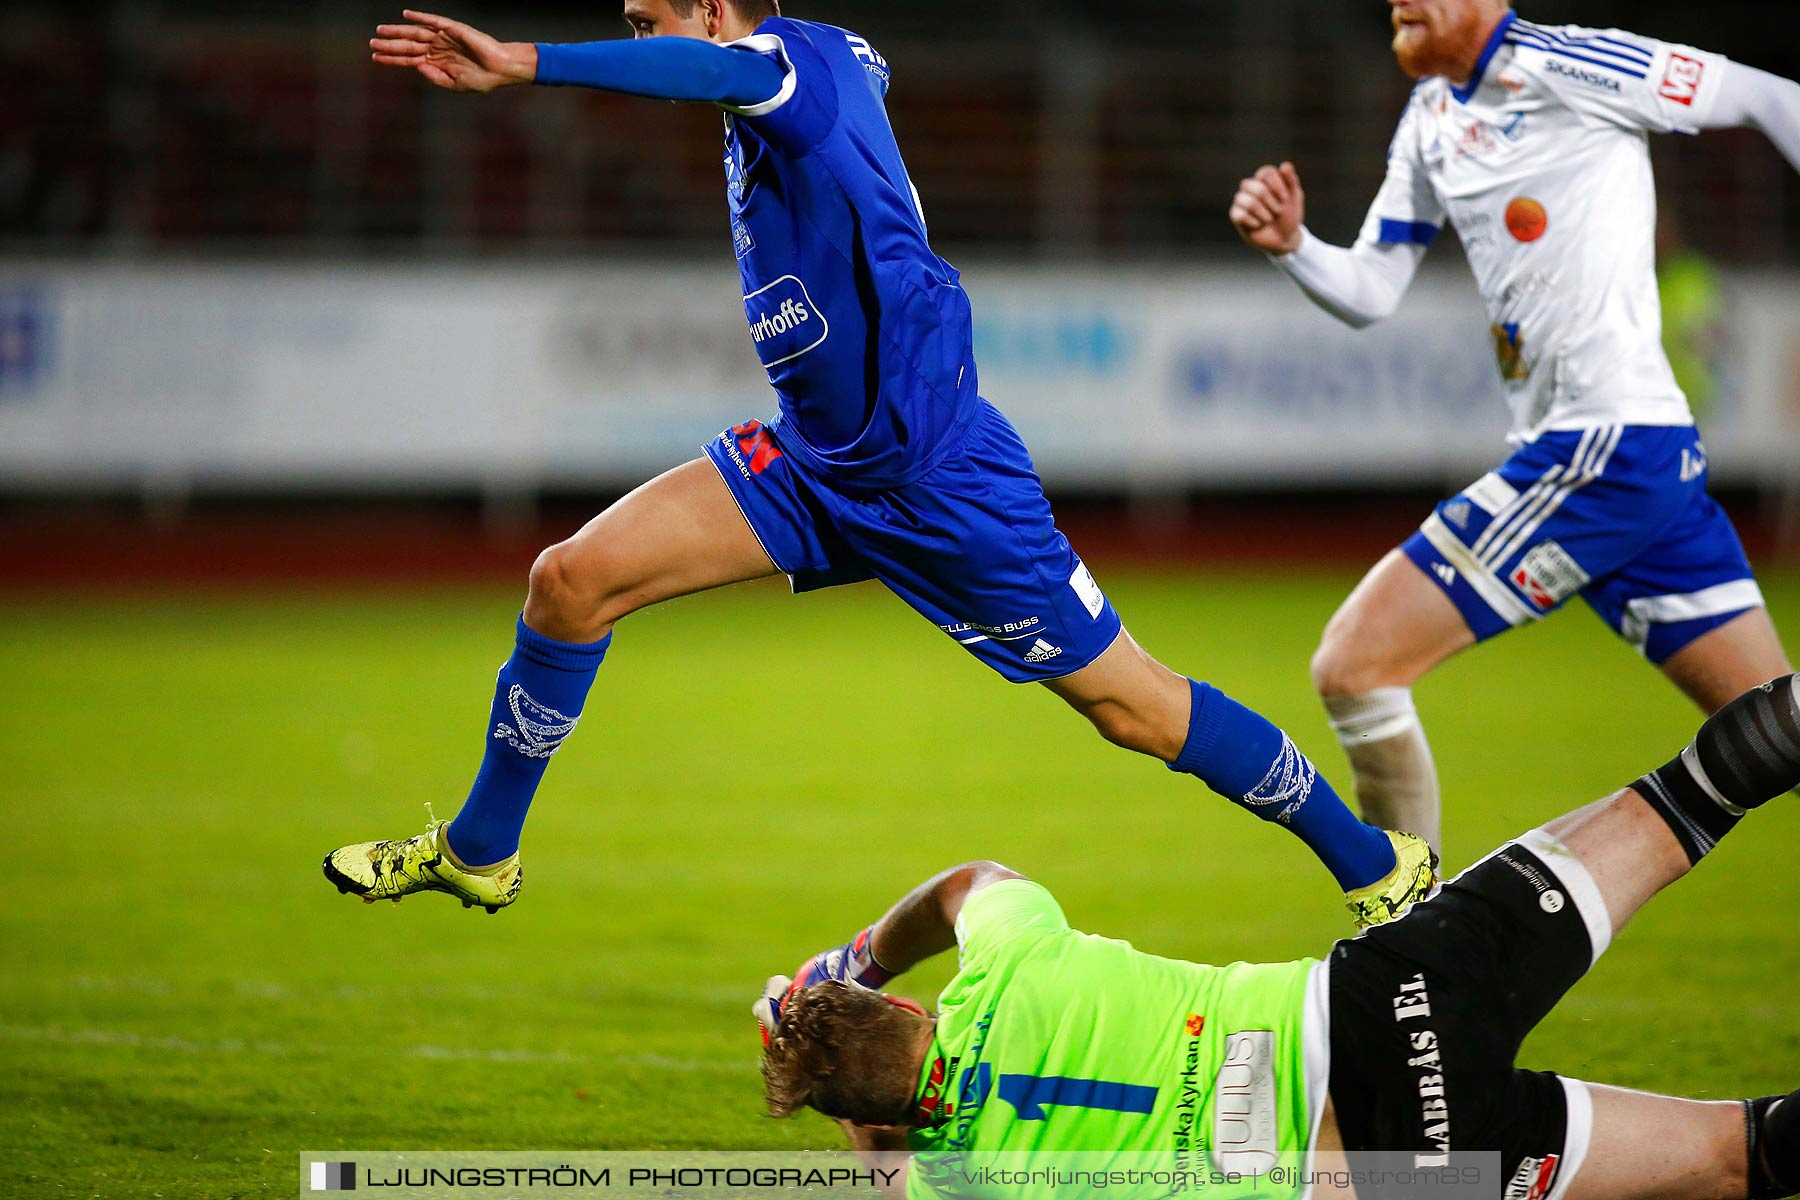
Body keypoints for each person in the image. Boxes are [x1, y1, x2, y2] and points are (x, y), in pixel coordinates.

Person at [319, 1, 1436, 926]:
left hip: (941, 483)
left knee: (1135, 710)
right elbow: (862, 65)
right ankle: (480, 849)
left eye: (655, 23)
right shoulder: (820, 64)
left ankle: (1377, 864)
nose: (647, 43)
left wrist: (527, 62)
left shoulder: (779, 71)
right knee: (569, 581)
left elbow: (742, 66)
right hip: (812, 464)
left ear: (714, 21)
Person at [757, 675, 1800, 1200]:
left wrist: (848, 1108)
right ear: (902, 1007)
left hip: (1407, 1170)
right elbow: (967, 882)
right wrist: (848, 966)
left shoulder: (965, 1181)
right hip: (1395, 997)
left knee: (1743, 1153)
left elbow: (890, 1156)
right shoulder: (1013, 963)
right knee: (1690, 796)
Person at [1227, 0, 1799, 852]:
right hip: (1639, 464)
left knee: (1355, 667)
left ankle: (1402, 938)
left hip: (1603, 448)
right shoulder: (1429, 116)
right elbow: (1372, 290)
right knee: (1776, 730)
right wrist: (1295, 245)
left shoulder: (1580, 67)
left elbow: (1771, 98)